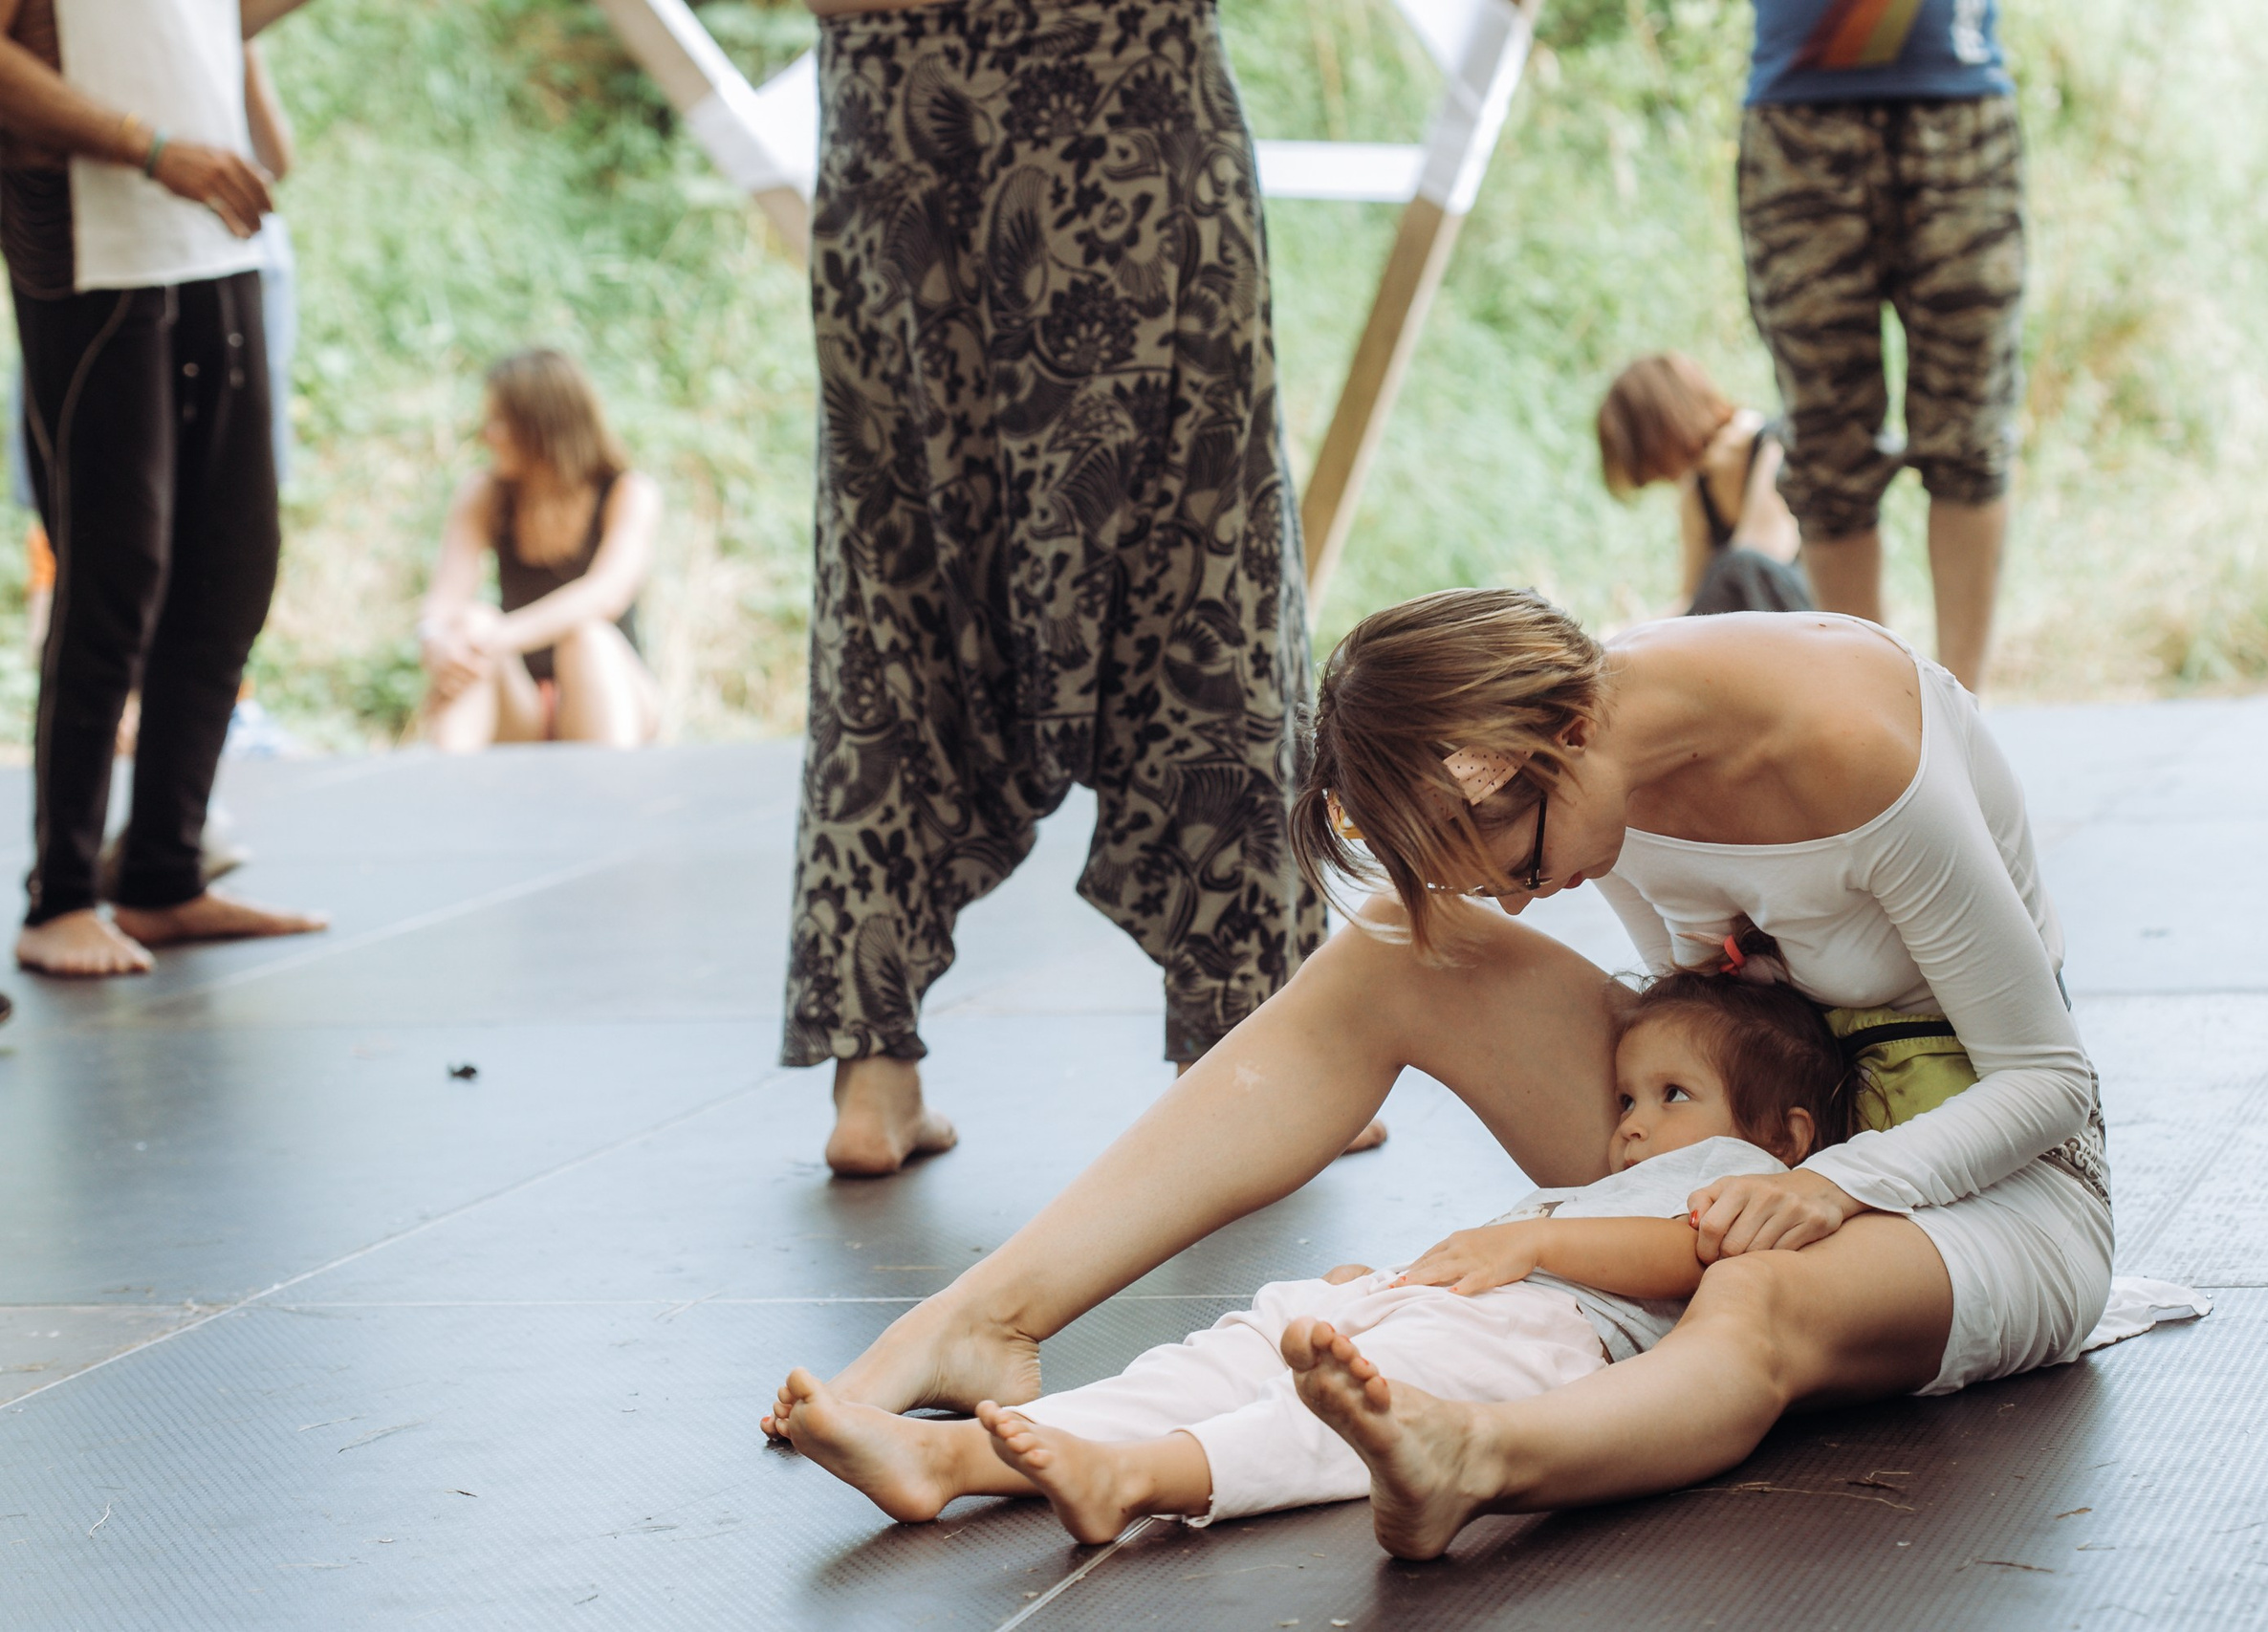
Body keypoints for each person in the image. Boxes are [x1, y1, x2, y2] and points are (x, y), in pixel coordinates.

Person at [806, 587, 2111, 1561]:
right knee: (1392, 949)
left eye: (1525, 867)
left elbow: (2050, 1079)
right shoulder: (1589, 754)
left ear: (1573, 732)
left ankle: (1471, 1454)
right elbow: (1709, 1018)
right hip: (1761, 1143)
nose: (1520, 904)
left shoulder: (1843, 736)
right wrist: (1567, 1224)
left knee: (1754, 1290)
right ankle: (986, 1316)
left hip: (1991, 1180)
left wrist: (1832, 1184)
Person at [785, 0, 1334, 1176]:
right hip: (1128, 82)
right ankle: (1244, 1045)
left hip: (898, 106)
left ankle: (872, 1077)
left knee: (896, 571)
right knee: (1203, 553)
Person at [764, 969, 1857, 1541]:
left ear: (1785, 1138)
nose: (1630, 1123)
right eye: (1625, 1096)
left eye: (1671, 1097)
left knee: (1320, 1427)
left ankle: (1139, 1480)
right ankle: (945, 1461)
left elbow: (1680, 1259)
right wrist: (1389, 1283)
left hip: (1553, 1347)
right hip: (1444, 1306)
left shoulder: (1742, 1185)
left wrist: (1533, 1239)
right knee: (1209, 1365)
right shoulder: (1614, 1178)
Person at [1, 0, 328, 978]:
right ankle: (58, 899)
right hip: (94, 251)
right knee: (115, 569)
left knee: (234, 566)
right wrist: (152, 149)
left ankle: (162, 877)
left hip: (213, 242)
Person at [1736, 0, 2025, 691]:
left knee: (1970, 432)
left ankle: (1962, 728)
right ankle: (1876, 735)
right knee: (1828, 449)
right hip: (1796, 114)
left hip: (1958, 99)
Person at [416, 350, 663, 752]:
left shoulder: (628, 492)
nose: (486, 435)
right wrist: (437, 641)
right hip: (524, 706)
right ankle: (448, 789)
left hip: (612, 698)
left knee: (587, 638)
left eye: (500, 422)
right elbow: (440, 608)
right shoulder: (485, 494)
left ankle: (617, 798)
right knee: (469, 623)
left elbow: (606, 594)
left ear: (542, 425)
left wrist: (498, 637)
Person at [1597, 351, 1809, 618]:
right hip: (1753, 634)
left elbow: (1753, 572)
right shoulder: (1698, 488)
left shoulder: (1774, 448)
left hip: (1806, 621)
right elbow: (1692, 598)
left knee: (1738, 569)